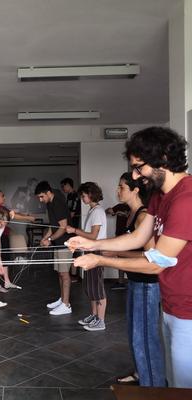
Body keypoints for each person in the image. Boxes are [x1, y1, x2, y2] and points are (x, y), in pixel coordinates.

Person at [69, 126, 192, 388]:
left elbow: (158, 262)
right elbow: (138, 238)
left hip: (189, 311)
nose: (136, 176)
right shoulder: (160, 195)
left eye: (139, 167)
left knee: (183, 386)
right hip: (172, 303)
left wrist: (101, 260)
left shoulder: (186, 199)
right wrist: (92, 244)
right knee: (174, 382)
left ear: (163, 160)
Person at [105, 173, 165, 387]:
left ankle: (153, 388)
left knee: (144, 338)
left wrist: (115, 254)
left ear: (135, 190)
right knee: (134, 334)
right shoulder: (130, 214)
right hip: (135, 281)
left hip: (148, 284)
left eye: (121, 187)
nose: (117, 190)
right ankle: (141, 373)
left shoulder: (143, 215)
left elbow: (150, 255)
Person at [66, 182, 107, 331]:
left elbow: (93, 236)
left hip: (96, 252)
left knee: (97, 287)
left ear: (90, 195)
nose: (82, 198)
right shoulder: (92, 210)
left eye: (83, 196)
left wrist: (74, 231)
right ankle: (94, 315)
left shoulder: (98, 211)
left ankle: (100, 321)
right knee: (90, 286)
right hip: (90, 251)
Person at [34, 181, 73, 316]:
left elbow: (63, 227)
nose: (40, 200)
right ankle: (62, 300)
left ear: (48, 192)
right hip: (58, 242)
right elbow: (54, 226)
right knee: (60, 273)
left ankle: (66, 305)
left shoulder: (58, 202)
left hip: (65, 243)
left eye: (41, 196)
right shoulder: (50, 202)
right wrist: (45, 238)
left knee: (65, 274)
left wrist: (49, 240)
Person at [0, 189, 35, 291]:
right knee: (0, 260)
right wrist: (29, 218)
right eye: (3, 196)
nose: (4, 198)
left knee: (5, 259)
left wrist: (26, 215)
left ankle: (7, 282)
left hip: (2, 236)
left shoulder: (1, 207)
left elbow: (13, 212)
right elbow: (14, 216)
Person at [106, 202, 130, 290]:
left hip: (129, 236)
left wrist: (123, 214)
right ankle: (121, 282)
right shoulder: (120, 206)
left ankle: (130, 281)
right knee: (120, 258)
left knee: (128, 258)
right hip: (119, 235)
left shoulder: (134, 207)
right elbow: (107, 211)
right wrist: (112, 211)